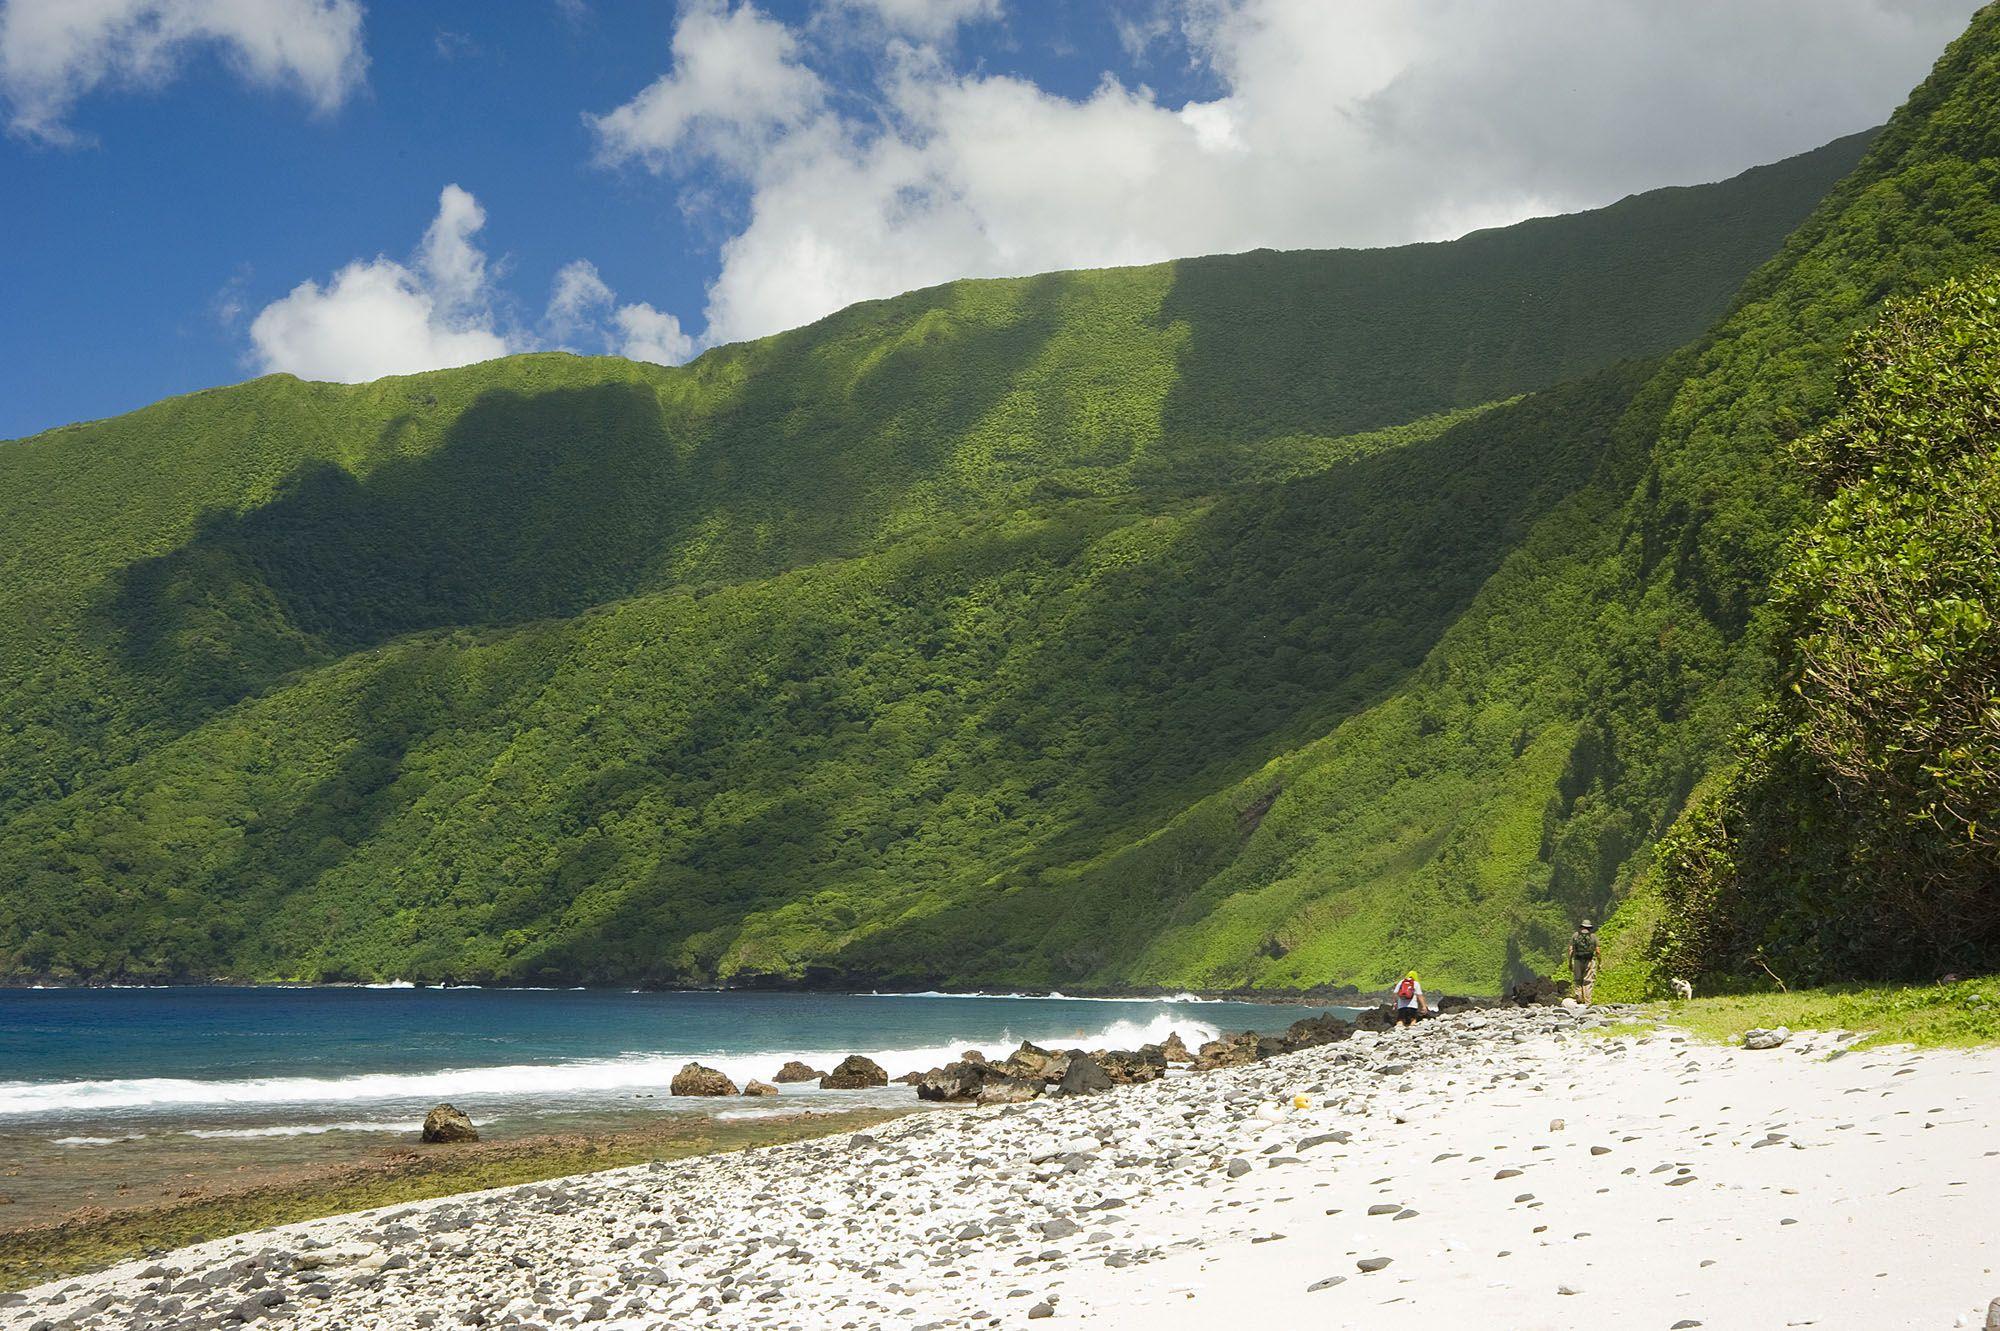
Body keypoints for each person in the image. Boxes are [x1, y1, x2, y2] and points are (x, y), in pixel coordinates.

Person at [1566, 919, 1600, 1004]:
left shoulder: (1575, 936)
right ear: (1590, 928)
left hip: (1577, 960)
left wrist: (1570, 962)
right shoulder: (1593, 937)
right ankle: (1588, 1002)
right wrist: (1600, 962)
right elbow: (1598, 951)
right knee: (1587, 981)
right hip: (1589, 961)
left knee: (1578, 980)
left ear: (1581, 927)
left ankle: (1579, 999)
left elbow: (1571, 950)